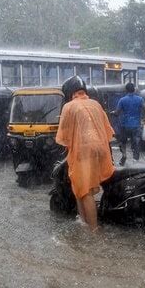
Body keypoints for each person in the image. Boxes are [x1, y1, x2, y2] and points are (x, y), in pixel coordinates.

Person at [56, 76, 115, 231]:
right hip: (100, 149)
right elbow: (107, 129)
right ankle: (83, 221)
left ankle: (93, 231)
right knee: (79, 187)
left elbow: (64, 135)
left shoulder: (69, 106)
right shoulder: (95, 104)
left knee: (85, 191)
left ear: (69, 92)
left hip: (83, 150)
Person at [114, 82, 145, 166]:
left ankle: (124, 155)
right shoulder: (140, 99)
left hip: (125, 124)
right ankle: (135, 160)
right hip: (136, 125)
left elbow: (117, 112)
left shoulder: (122, 100)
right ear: (134, 90)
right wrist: (144, 118)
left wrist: (113, 113)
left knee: (123, 142)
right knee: (136, 142)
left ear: (126, 90)